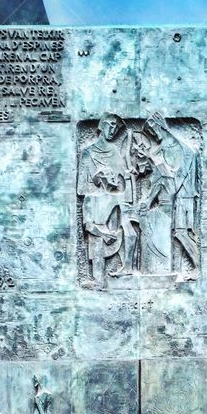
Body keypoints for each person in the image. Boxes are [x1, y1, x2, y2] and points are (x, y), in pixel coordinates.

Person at [142, 113, 201, 281]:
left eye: (154, 128)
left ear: (161, 125)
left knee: (181, 233)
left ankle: (196, 264)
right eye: (150, 131)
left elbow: (174, 177)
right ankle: (177, 269)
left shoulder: (179, 148)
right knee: (176, 232)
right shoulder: (167, 147)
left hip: (184, 197)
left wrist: (156, 193)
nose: (153, 133)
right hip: (178, 197)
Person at [78, 114, 129, 288]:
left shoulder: (115, 152)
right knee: (95, 239)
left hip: (113, 208)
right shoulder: (88, 153)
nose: (113, 130)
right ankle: (98, 278)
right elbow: (82, 188)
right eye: (110, 125)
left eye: (116, 127)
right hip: (96, 205)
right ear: (101, 125)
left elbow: (124, 183)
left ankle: (114, 273)